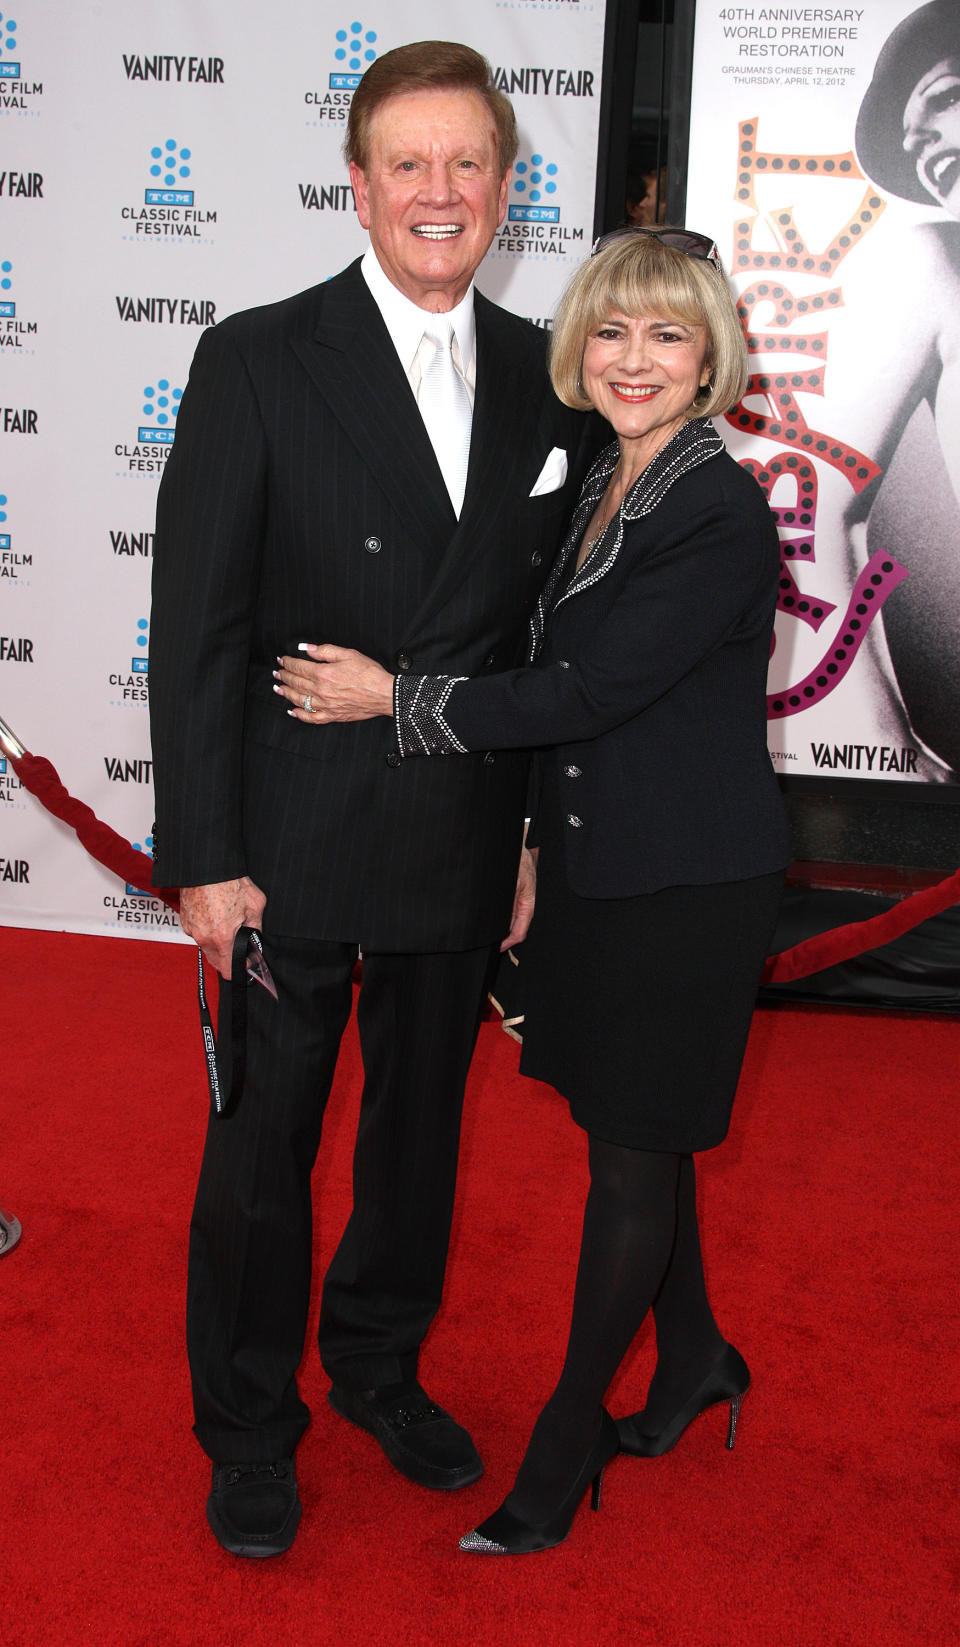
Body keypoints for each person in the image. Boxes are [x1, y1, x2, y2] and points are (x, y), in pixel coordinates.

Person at [273, 226, 792, 1554]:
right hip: (598, 857)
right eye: (612, 331)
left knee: (631, 1158)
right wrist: (528, 846)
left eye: (667, 336)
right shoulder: (611, 480)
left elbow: (592, 690)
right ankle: (695, 1359)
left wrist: (399, 700)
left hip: (682, 881)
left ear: (708, 358)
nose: (634, 359)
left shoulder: (715, 506)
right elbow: (580, 705)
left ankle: (567, 1440)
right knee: (640, 1128)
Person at [149, 40, 598, 1558]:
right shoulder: (259, 358)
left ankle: (380, 1366)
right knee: (265, 1146)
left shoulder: (555, 380)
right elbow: (197, 632)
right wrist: (202, 855)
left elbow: (546, 643)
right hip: (289, 837)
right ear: (356, 183)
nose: (439, 191)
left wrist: (532, 829)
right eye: (408, 162)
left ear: (507, 186)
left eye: (468, 162)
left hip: (461, 833)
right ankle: (250, 1422)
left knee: (418, 1140)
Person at [818, 0, 960, 774]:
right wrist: (888, 750)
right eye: (912, 130)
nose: (919, 141)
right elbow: (812, 505)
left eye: (941, 99)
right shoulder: (935, 263)